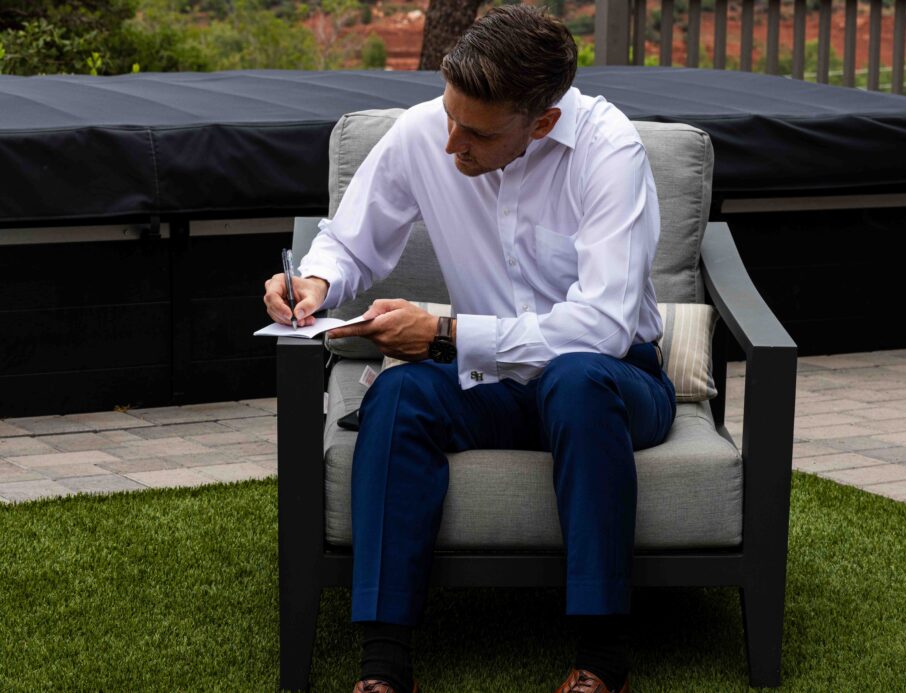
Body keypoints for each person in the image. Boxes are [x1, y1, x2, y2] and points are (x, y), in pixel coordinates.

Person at [263, 6, 675, 692]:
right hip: (491, 377)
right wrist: (312, 281)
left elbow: (603, 325)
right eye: (450, 117)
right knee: (397, 393)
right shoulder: (429, 129)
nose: (451, 143)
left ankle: (602, 656)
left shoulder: (610, 150)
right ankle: (384, 667)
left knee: (575, 379)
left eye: (476, 134)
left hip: (614, 383)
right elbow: (350, 239)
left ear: (540, 122)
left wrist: (447, 332)